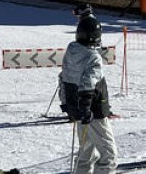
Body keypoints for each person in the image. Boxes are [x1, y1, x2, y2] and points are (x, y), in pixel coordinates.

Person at [59, 16, 117, 174]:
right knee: (109, 155)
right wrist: (85, 108)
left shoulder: (71, 51)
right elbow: (88, 83)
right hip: (93, 112)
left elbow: (63, 77)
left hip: (77, 110)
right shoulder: (93, 57)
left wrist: (66, 103)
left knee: (86, 152)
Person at [60, 4, 114, 120]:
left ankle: (103, 108)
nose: (77, 17)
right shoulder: (86, 22)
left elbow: (88, 84)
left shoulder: (90, 23)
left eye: (78, 14)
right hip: (86, 54)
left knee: (95, 83)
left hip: (89, 54)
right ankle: (80, 110)